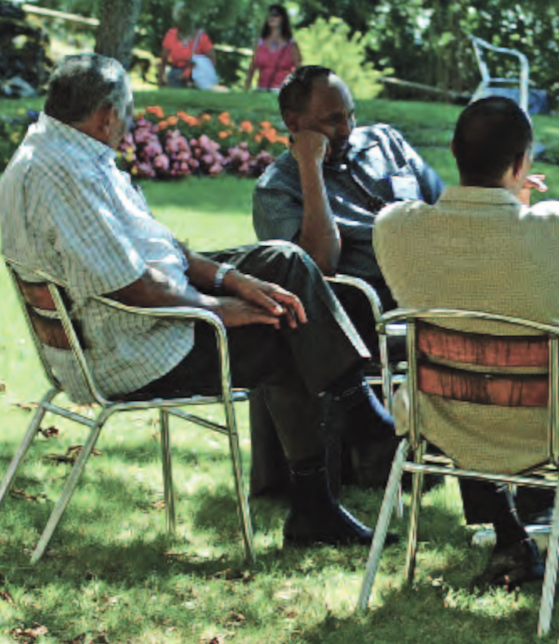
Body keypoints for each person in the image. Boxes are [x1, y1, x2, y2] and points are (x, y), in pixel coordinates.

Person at [0, 53, 396, 548]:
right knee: (288, 327)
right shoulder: (66, 176)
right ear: (105, 117)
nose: (130, 121)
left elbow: (158, 245)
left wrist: (231, 279)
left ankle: (352, 413)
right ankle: (329, 476)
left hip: (125, 326)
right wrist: (216, 309)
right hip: (132, 350)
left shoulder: (58, 150)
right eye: (127, 112)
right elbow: (133, 286)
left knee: (283, 261)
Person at [373, 96, 559, 588]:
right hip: (550, 418)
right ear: (522, 163)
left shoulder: (396, 227)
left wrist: (514, 214)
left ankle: (510, 536)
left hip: (445, 414)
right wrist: (525, 221)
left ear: (454, 153)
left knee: (468, 370)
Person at [251, 65, 446, 494]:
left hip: (436, 288)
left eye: (350, 115)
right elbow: (315, 270)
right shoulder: (278, 189)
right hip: (363, 313)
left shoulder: (386, 142)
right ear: (294, 124)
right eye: (332, 121)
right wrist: (310, 167)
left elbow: (445, 206)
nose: (348, 129)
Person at [158, 2, 217, 89]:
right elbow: (163, 59)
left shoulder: (201, 37)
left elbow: (212, 58)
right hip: (176, 74)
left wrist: (202, 73)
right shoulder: (171, 34)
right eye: (182, 16)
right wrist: (160, 79)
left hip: (195, 76)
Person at [243, 4, 301, 92]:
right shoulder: (260, 42)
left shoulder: (291, 44)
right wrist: (247, 87)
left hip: (284, 91)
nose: (272, 17)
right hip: (262, 90)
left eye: (275, 15)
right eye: (269, 15)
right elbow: (252, 67)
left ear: (282, 19)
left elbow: (299, 69)